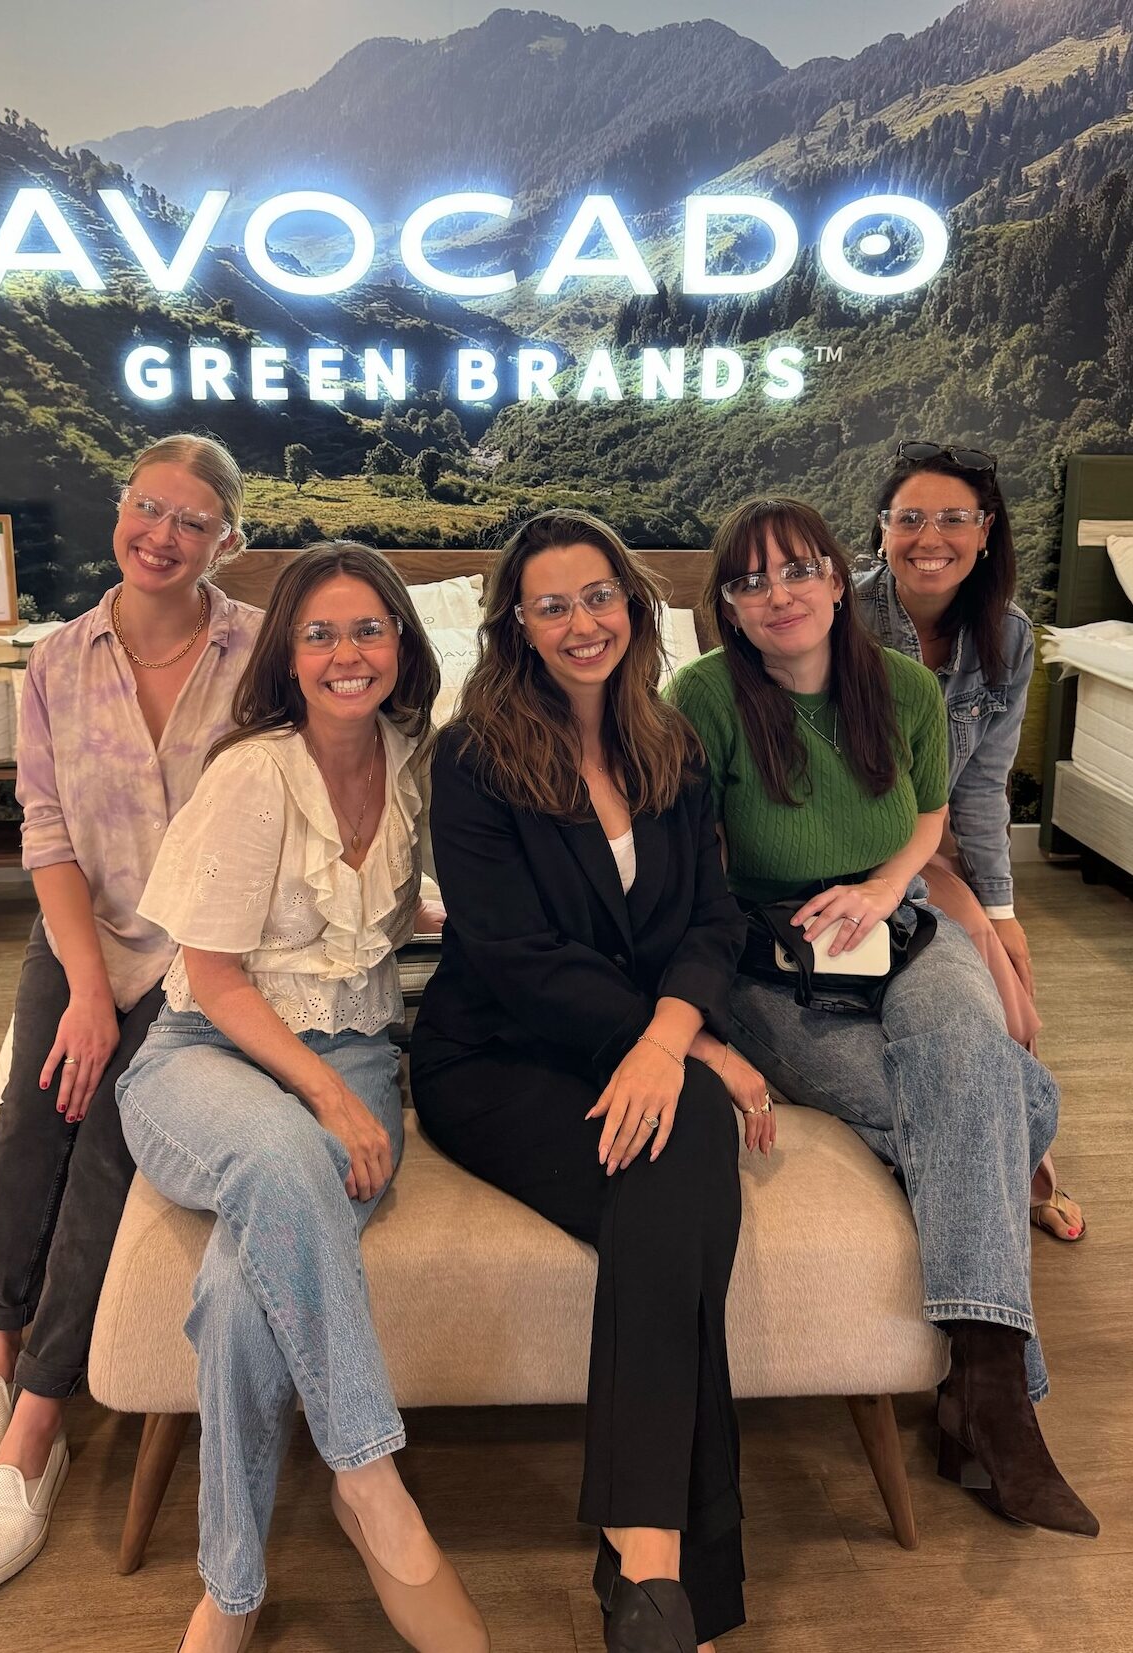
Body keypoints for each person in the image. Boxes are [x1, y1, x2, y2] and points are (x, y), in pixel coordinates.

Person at [669, 496, 1098, 1541]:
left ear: (836, 576)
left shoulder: (902, 687)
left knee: (966, 1059)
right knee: (1006, 1102)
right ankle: (994, 1404)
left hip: (899, 925)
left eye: (797, 569)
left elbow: (931, 814)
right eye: (749, 581)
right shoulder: (704, 697)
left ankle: (984, 1395)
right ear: (728, 605)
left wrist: (879, 888)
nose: (777, 595)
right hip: (769, 960)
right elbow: (690, 863)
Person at [114, 544, 490, 1653]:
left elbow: (379, 911)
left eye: (368, 628)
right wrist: (326, 1095)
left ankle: (230, 1585)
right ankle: (373, 1483)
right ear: (286, 653)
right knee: (280, 1159)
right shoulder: (254, 773)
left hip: (356, 1046)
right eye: (319, 633)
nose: (345, 653)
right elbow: (216, 974)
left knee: (243, 1287)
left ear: (401, 643)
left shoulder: (414, 759)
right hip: (205, 1053)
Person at [411, 511, 769, 1653]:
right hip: (498, 1058)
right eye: (552, 605)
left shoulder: (671, 744)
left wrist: (672, 1036)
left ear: (633, 605)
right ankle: (678, 1581)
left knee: (675, 1180)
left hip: (635, 1047)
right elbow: (513, 956)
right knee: (686, 1165)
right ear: (515, 625)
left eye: (599, 596)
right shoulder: (474, 757)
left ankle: (646, 1567)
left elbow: (713, 918)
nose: (581, 623)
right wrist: (678, 1044)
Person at [0, 434, 262, 1596]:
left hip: (201, 948)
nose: (162, 536)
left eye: (192, 521)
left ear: (228, 541)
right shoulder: (57, 659)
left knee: (114, 1144)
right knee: (38, 1107)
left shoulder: (258, 653)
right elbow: (47, 833)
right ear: (120, 510)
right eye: (147, 508)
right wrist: (85, 989)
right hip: (86, 930)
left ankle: (39, 1419)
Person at [856, 440, 1084, 1241]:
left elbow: (982, 787)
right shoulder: (842, 615)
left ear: (985, 530)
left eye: (953, 518)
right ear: (882, 530)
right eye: (909, 519)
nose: (930, 538)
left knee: (1008, 962)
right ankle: (1020, 1171)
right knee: (984, 960)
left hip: (933, 840)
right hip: (856, 837)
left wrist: (1003, 905)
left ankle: (1019, 1164)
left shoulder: (1008, 637)